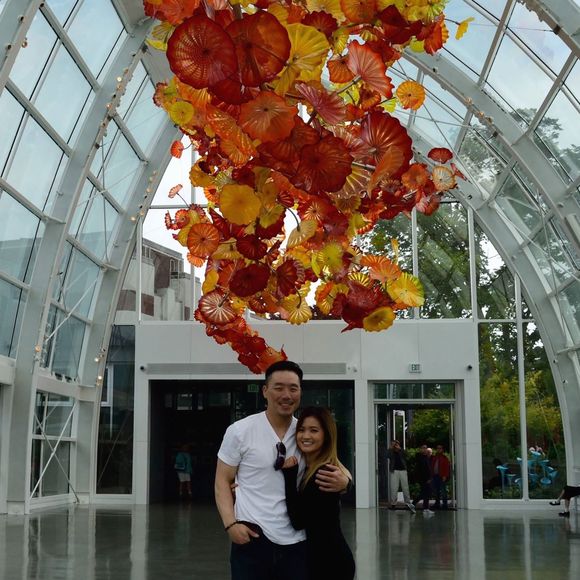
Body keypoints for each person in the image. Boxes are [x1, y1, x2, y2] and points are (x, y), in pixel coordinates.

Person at [214, 360, 351, 580]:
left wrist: (346, 482)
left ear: (300, 392)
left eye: (293, 388)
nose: (286, 395)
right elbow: (222, 480)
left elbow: (335, 464)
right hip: (252, 538)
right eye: (278, 388)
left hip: (297, 544)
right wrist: (230, 524)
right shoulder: (240, 431)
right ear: (265, 391)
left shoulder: (304, 432)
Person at [281, 407, 355, 580]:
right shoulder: (312, 467)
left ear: (326, 436)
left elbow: (298, 521)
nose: (306, 436)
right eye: (301, 430)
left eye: (314, 430)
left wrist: (289, 476)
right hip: (322, 558)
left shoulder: (323, 474)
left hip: (330, 563)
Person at [386, 439, 415, 512]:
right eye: (394, 444)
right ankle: (393, 503)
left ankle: (407, 503)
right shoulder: (391, 451)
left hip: (403, 470)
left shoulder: (401, 451)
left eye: (396, 444)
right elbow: (387, 456)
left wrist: (400, 449)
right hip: (394, 471)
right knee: (394, 487)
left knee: (405, 487)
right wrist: (390, 448)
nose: (395, 446)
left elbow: (407, 455)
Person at [431, 444, 451, 510]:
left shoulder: (444, 458)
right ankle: (437, 504)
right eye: (437, 448)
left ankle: (445, 505)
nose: (438, 449)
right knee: (436, 491)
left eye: (440, 448)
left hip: (442, 476)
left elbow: (447, 468)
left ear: (442, 449)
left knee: (443, 491)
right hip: (435, 476)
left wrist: (445, 476)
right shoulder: (435, 457)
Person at [416, 444, 433, 513]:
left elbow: (429, 469)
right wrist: (428, 478)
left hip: (427, 478)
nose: (425, 449)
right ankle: (425, 508)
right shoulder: (420, 457)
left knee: (425, 493)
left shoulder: (426, 457)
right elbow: (423, 470)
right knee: (425, 493)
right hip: (424, 479)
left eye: (426, 448)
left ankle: (425, 508)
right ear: (420, 449)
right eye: (423, 448)